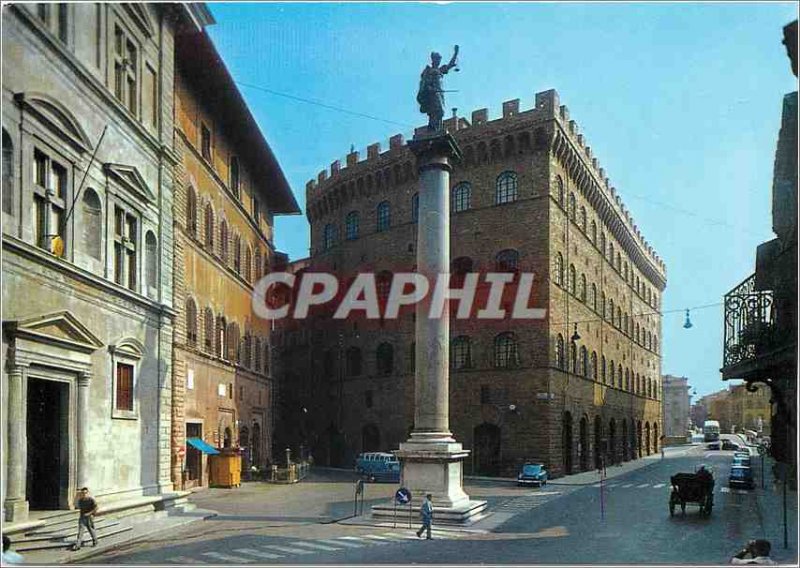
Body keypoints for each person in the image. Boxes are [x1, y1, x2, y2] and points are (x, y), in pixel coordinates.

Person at [416, 46, 459, 132]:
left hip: (440, 93)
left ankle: (437, 129)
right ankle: (432, 130)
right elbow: (424, 82)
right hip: (433, 93)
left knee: (440, 111)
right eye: (438, 59)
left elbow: (450, 65)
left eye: (439, 59)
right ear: (433, 60)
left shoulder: (440, 69)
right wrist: (429, 88)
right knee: (435, 111)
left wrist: (455, 53)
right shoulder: (428, 70)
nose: (439, 61)